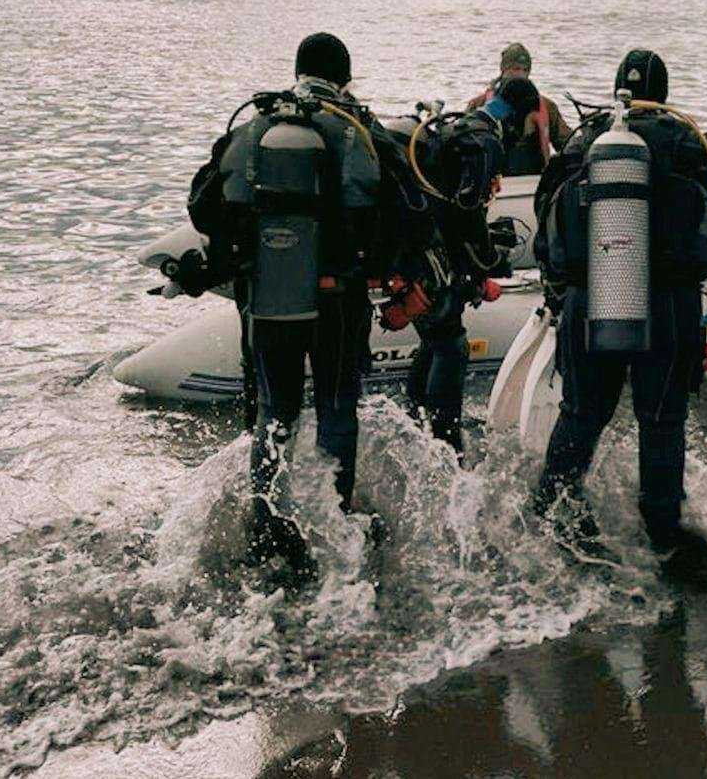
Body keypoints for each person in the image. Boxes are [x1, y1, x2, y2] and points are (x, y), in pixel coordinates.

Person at [178, 33, 398, 581]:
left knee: (275, 414)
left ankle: (267, 527)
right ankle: (339, 523)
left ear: (297, 70)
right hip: (339, 305)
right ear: (346, 78)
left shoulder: (256, 128)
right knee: (337, 408)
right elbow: (401, 212)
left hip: (270, 306)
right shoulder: (357, 133)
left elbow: (204, 208)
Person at [531, 49, 707, 573]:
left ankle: (548, 514)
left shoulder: (586, 141)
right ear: (664, 93)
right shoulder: (689, 142)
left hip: (588, 299)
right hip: (667, 305)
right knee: (661, 421)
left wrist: (562, 295)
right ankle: (663, 535)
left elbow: (545, 220)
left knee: (581, 414)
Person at [404, 76, 542, 456]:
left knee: (435, 338)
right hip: (438, 262)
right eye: (531, 120)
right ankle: (446, 447)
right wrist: (488, 268)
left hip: (421, 255)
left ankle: (411, 421)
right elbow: (465, 218)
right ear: (518, 113)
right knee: (452, 347)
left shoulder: (458, 127)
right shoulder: (486, 145)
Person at [467, 42, 572, 174]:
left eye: (525, 70)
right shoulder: (479, 104)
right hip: (494, 182)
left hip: (533, 181)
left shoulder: (547, 107)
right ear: (503, 70)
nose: (521, 74)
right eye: (515, 69)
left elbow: (567, 144)